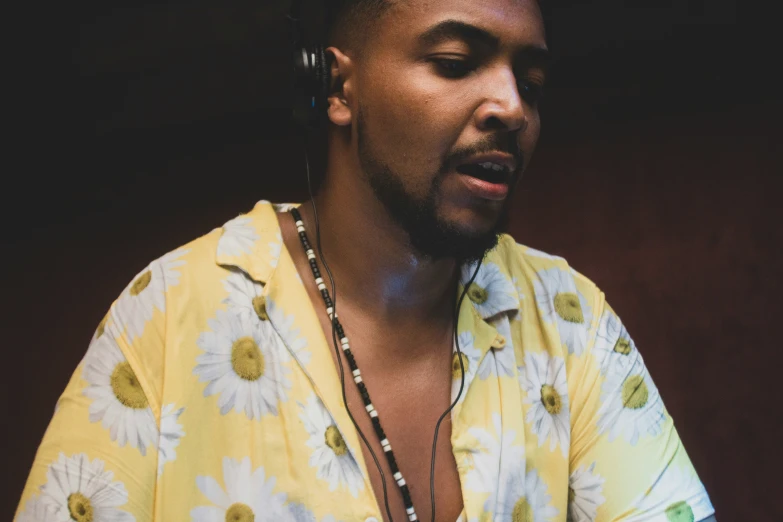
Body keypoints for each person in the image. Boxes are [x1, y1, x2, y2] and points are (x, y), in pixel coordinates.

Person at [16, 0, 717, 521]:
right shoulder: (171, 308)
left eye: (529, 83)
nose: (510, 105)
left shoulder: (569, 320)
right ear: (337, 88)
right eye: (455, 63)